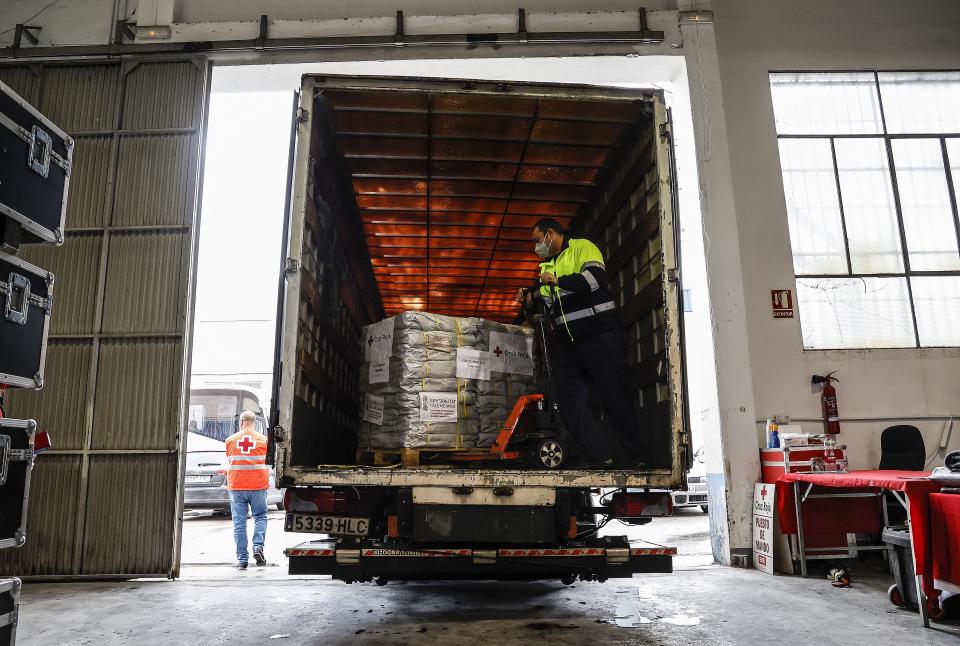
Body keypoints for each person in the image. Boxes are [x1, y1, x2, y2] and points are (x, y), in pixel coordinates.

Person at [516, 218, 652, 469]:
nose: (536, 247)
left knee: (615, 398)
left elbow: (593, 281)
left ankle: (638, 456)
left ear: (550, 234)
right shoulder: (546, 265)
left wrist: (558, 281)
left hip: (599, 335)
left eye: (537, 240)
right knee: (568, 401)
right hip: (568, 343)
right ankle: (600, 455)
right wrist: (529, 299)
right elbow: (548, 307)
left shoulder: (582, 247)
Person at [225, 410, 270, 569]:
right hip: (258, 486)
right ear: (255, 423)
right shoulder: (264, 441)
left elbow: (230, 460)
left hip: (237, 486)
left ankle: (242, 560)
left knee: (239, 523)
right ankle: (258, 547)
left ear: (241, 422)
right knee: (261, 517)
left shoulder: (230, 440)